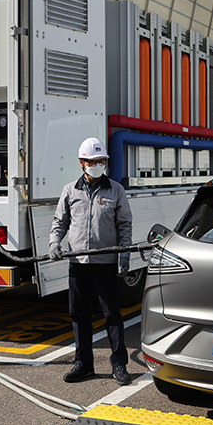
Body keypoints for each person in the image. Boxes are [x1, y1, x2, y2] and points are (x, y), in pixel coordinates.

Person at [49, 137, 134, 386]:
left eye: (100, 161)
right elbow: (60, 222)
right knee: (79, 314)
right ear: (81, 163)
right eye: (92, 161)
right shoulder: (69, 191)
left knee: (112, 314)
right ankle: (83, 364)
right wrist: (54, 242)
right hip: (77, 264)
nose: (97, 165)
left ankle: (119, 364)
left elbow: (124, 225)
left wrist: (124, 255)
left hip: (105, 263)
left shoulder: (116, 190)